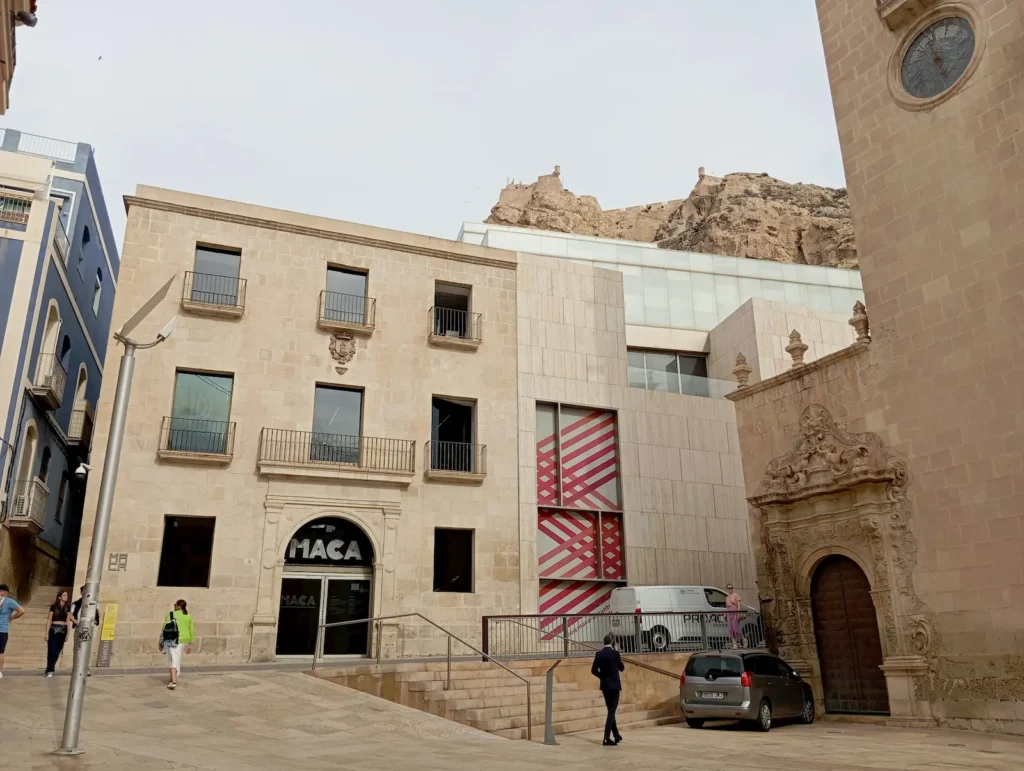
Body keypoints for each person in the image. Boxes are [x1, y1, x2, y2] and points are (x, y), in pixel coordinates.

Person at [591, 633, 624, 746]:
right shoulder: (615, 653)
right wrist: (617, 651)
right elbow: (622, 668)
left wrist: (603, 676)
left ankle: (616, 735)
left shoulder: (598, 654)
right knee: (611, 711)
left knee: (611, 710)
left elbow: (593, 670)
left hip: (605, 685)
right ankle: (606, 738)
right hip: (614, 685)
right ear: (612, 642)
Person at [158, 599, 194, 690]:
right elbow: (191, 630)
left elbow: (164, 629)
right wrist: (190, 643)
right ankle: (174, 676)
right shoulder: (188, 616)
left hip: (172, 639)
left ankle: (173, 681)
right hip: (184, 640)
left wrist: (161, 643)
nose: (174, 606)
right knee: (177, 657)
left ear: (178, 606)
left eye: (175, 605)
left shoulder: (171, 615)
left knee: (172, 659)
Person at [45, 589, 76, 677]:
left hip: (63, 630)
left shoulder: (68, 607)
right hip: (54, 629)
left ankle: (50, 668)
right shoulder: (53, 607)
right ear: (59, 597)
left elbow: (68, 620)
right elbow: (49, 619)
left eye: (66, 595)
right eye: (64, 595)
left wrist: (68, 633)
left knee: (58, 650)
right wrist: (46, 633)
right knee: (52, 650)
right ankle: (50, 670)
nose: (66, 597)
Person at [71, 586, 101, 676]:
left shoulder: (93, 603)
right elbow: (71, 616)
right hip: (79, 627)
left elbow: (97, 613)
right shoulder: (76, 603)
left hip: (89, 628)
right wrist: (78, 623)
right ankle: (76, 668)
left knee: (87, 648)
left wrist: (95, 622)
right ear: (82, 592)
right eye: (84, 591)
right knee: (77, 648)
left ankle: (86, 668)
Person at [0, 583, 26, 678]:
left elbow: (22, 610)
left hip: (2, 629)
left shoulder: (9, 601)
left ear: (5, 592)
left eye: (0, 591)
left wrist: (12, 618)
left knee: (0, 651)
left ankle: (0, 671)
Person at [726, 584, 743, 648]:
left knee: (736, 628)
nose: (730, 589)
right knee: (730, 628)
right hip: (729, 612)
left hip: (735, 612)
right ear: (727, 589)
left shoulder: (736, 595)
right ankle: (734, 644)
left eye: (731, 588)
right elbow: (727, 607)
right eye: (729, 588)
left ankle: (743, 639)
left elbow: (738, 605)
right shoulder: (727, 597)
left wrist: (738, 613)